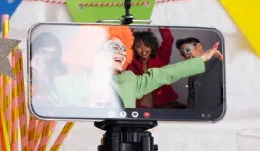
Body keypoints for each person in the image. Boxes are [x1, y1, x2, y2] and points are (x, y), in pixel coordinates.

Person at [36, 26, 223, 110]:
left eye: (124, 49)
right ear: (95, 53)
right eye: (114, 47)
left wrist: (201, 59)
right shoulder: (62, 84)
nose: (122, 53)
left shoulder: (128, 80)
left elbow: (165, 73)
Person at [126, 27, 180, 108]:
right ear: (133, 48)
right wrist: (129, 26)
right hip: (138, 105)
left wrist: (161, 25)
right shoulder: (130, 60)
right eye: (138, 46)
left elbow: (168, 40)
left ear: (152, 46)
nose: (143, 50)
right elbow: (125, 44)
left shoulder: (161, 57)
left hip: (163, 104)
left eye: (147, 45)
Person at [175, 37, 224, 110]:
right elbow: (191, 99)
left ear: (199, 46)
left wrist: (215, 114)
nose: (186, 55)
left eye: (187, 50)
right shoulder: (192, 72)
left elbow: (230, 99)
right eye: (183, 54)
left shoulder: (220, 65)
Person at [29, 32, 68, 106]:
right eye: (43, 52)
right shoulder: (27, 71)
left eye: (52, 53)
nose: (48, 57)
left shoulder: (59, 76)